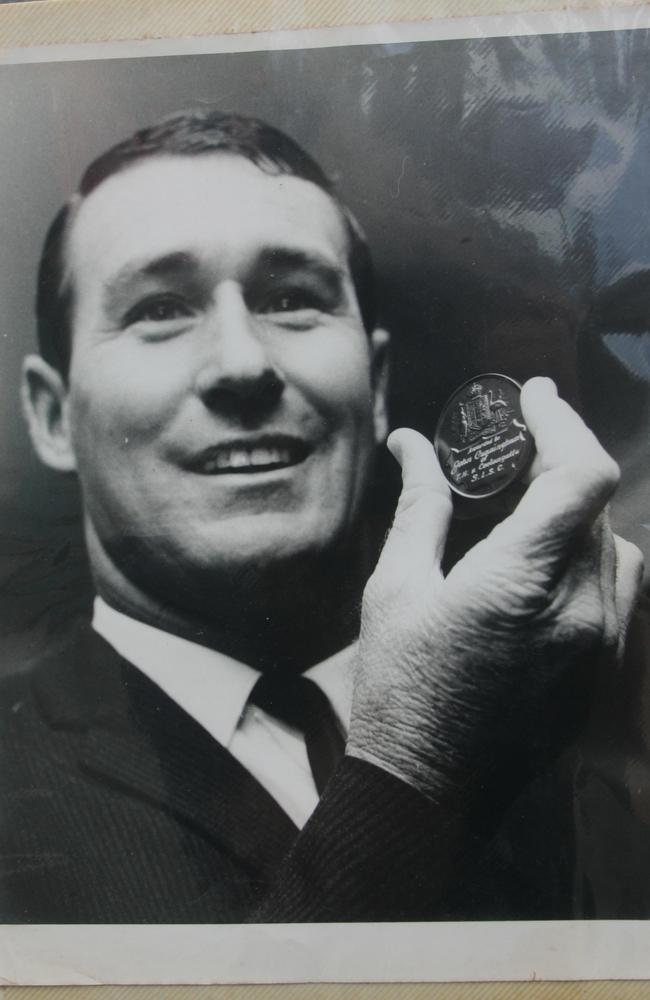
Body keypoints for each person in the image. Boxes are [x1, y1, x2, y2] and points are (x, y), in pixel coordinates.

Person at [0, 109, 642, 923]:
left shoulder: (571, 709)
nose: (243, 364)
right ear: (52, 415)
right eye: (160, 308)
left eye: (292, 298)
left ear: (373, 388)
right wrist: (416, 758)